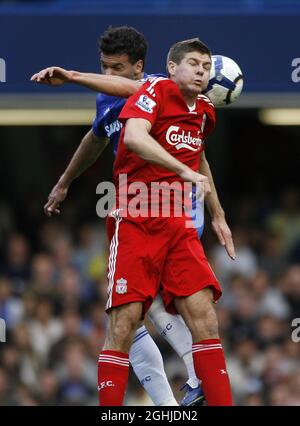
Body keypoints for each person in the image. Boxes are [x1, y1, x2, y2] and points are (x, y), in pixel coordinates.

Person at [31, 26, 223, 406]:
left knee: (140, 306)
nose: (109, 76)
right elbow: (97, 137)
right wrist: (64, 182)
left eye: (117, 68)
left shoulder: (156, 86)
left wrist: (71, 76)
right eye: (104, 67)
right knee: (126, 319)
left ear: (139, 68)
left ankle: (197, 376)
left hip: (172, 203)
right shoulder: (107, 99)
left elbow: (195, 152)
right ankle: (175, 403)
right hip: (134, 206)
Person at [96, 37, 235, 406]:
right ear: (171, 67)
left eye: (206, 66)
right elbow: (135, 136)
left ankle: (206, 391)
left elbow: (199, 158)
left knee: (205, 317)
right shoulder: (155, 89)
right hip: (136, 217)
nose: (201, 71)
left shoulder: (205, 110)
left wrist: (218, 214)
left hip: (178, 222)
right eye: (193, 64)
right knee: (126, 322)